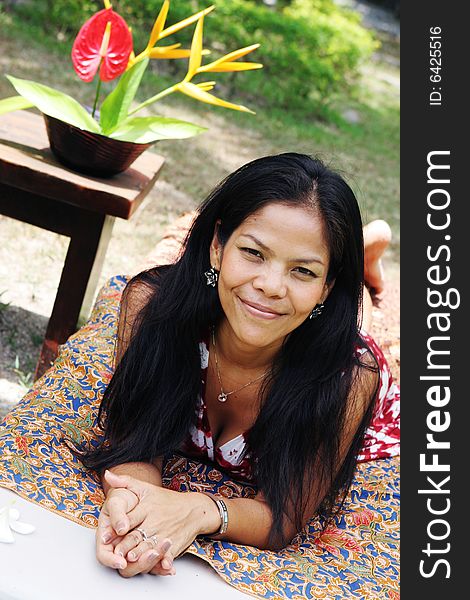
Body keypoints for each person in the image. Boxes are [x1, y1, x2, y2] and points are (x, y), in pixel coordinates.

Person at [77, 153, 399, 578]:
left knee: (360, 321)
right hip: (237, 292)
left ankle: (365, 255)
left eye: (303, 270)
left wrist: (200, 511)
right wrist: (134, 510)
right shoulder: (148, 309)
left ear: (326, 287)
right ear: (217, 246)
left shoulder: (351, 377)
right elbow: (135, 441)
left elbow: (284, 517)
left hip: (323, 338)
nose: (270, 285)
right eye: (253, 252)